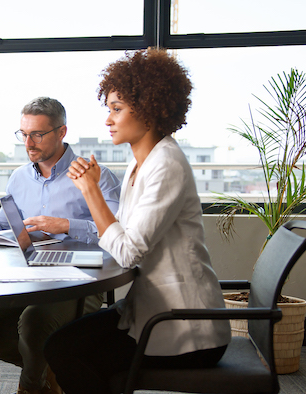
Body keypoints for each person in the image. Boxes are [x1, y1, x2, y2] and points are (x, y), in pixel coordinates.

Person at [44, 48, 231, 394]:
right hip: (148, 311)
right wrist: (96, 190)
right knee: (59, 345)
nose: (108, 119)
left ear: (148, 110)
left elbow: (128, 252)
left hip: (186, 329)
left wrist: (91, 193)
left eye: (117, 109)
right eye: (109, 109)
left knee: (68, 353)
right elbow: (124, 238)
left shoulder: (167, 165)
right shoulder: (138, 164)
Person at [0, 97, 121, 394]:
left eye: (37, 134)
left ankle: (31, 386)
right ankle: (48, 366)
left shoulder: (97, 176)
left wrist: (65, 225)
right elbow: (7, 223)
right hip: (24, 274)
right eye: (23, 134)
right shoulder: (19, 177)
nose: (28, 142)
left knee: (34, 322)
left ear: (62, 132)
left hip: (79, 279)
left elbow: (116, 232)